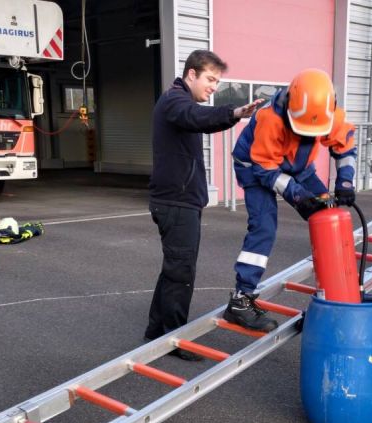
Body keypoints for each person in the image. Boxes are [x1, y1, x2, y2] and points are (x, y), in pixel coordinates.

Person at [145, 50, 262, 361]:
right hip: (176, 203)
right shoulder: (175, 102)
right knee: (181, 272)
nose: (213, 86)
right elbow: (197, 118)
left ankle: (157, 330)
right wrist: (235, 113)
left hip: (178, 201)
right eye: (210, 79)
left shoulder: (181, 103)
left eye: (218, 81)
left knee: (173, 269)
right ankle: (174, 340)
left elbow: (199, 120)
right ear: (191, 74)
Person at [224, 68, 357, 332]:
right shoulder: (270, 119)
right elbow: (265, 168)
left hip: (298, 167)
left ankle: (333, 290)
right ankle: (241, 300)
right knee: (264, 226)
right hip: (255, 166)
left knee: (326, 213)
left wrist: (345, 181)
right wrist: (298, 196)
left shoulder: (329, 113)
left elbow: (345, 147)